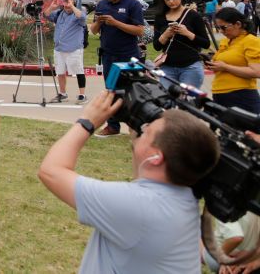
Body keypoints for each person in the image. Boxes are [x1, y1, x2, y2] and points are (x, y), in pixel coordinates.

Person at [38, 91, 220, 273]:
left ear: (156, 157)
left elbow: (51, 171)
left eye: (148, 130)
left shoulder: (136, 205)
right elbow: (143, 175)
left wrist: (87, 121)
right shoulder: (184, 196)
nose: (144, 128)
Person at [89, 0, 145, 137]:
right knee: (111, 90)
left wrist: (116, 23)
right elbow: (93, 30)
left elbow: (140, 30)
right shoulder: (102, 4)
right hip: (108, 55)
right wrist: (99, 22)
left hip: (128, 55)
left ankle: (137, 127)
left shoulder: (132, 4)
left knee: (131, 91)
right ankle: (112, 126)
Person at [153, 0, 210, 88]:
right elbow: (156, 46)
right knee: (167, 101)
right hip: (167, 67)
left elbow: (206, 43)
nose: (171, 2)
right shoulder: (160, 17)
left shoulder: (193, 15)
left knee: (187, 101)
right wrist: (165, 35)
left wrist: (187, 33)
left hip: (190, 66)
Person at [207, 7, 260, 115]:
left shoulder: (251, 41)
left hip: (241, 96)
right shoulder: (226, 41)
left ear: (238, 24)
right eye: (218, 28)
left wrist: (226, 67)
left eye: (224, 27)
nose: (221, 31)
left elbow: (256, 72)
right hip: (220, 94)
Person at [49, 0, 87, 103]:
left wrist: (72, 6)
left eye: (69, 1)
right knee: (60, 72)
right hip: (59, 48)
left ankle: (82, 95)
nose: (67, 4)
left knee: (78, 70)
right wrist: (52, 7)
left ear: (74, 2)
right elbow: (46, 15)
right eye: (65, 1)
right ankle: (62, 93)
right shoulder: (59, 13)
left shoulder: (78, 13)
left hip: (74, 48)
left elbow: (82, 17)